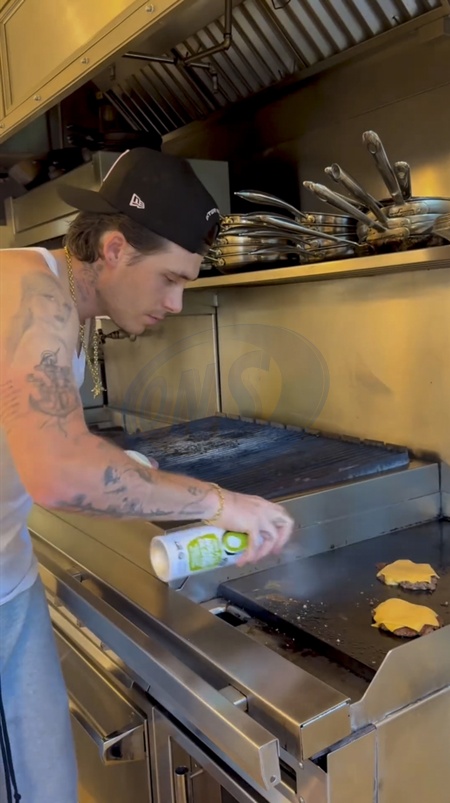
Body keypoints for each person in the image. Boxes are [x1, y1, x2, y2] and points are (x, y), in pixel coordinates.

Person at [0, 147, 294, 802]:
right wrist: (218, 502)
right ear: (113, 249)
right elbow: (59, 473)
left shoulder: (50, 292)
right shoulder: (34, 297)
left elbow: (39, 439)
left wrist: (117, 468)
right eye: (169, 278)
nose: (177, 302)